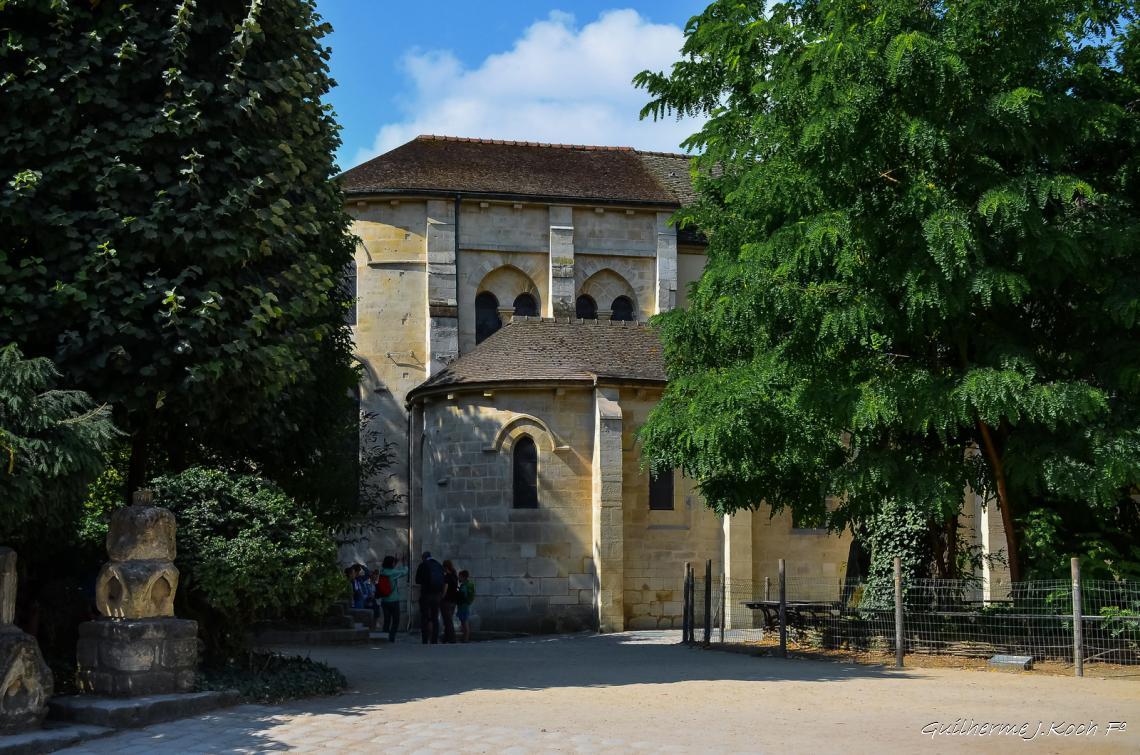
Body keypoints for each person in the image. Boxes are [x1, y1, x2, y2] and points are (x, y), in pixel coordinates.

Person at [414, 551, 445, 644]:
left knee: (425, 617)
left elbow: (417, 580)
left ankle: (424, 639)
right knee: (435, 617)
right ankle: (434, 639)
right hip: (437, 595)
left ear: (423, 558)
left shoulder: (423, 565)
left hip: (426, 594)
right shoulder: (439, 565)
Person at [377, 555, 408, 643]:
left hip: (384, 600)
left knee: (387, 620)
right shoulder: (393, 573)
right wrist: (404, 564)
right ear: (391, 564)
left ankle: (384, 637)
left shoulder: (382, 572)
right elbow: (404, 572)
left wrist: (396, 563)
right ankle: (391, 637)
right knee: (396, 620)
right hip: (393, 600)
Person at [440, 559, 459, 644]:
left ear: (445, 567)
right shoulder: (455, 576)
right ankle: (446, 638)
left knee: (448, 621)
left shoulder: (446, 577)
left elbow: (445, 589)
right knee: (449, 619)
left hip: (447, 601)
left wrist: (441, 597)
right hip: (453, 601)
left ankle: (452, 638)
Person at [456, 569, 475, 643]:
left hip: (463, 605)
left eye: (460, 576)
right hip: (465, 605)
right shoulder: (467, 584)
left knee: (464, 622)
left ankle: (466, 639)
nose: (458, 578)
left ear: (463, 577)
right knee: (463, 622)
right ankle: (465, 638)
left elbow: (462, 595)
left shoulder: (464, 586)